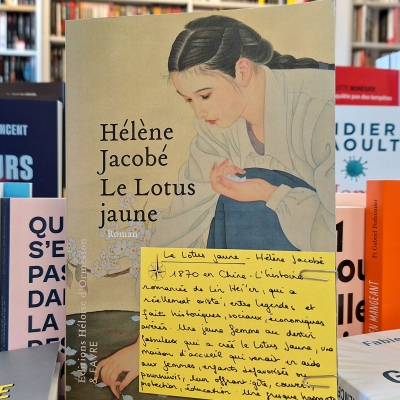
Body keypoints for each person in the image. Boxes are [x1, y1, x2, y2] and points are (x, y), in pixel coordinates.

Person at [95, 14, 335, 398]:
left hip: (336, 300)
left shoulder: (322, 108)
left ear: (242, 71)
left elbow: (338, 235)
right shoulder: (216, 128)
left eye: (204, 95)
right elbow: (179, 223)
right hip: (266, 301)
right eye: (188, 100)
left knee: (253, 191)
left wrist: (270, 194)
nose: (198, 111)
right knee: (222, 195)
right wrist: (151, 341)